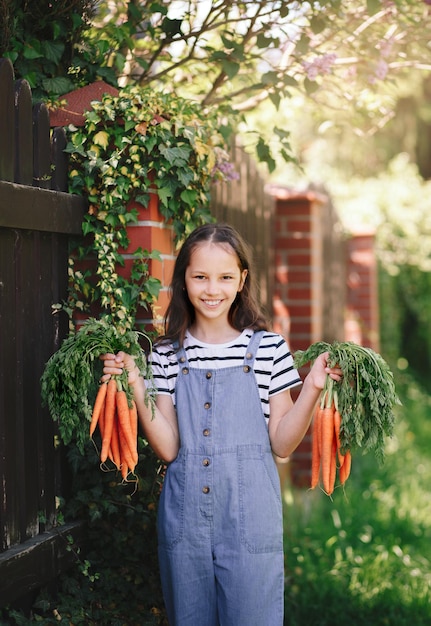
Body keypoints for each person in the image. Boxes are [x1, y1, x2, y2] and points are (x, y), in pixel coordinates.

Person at [101, 223, 342, 626]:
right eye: (200, 277)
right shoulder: (165, 353)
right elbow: (169, 448)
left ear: (242, 279)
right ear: (183, 280)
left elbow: (282, 443)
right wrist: (135, 385)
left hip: (251, 520)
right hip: (184, 520)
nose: (212, 289)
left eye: (225, 277)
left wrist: (314, 388)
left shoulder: (269, 348)